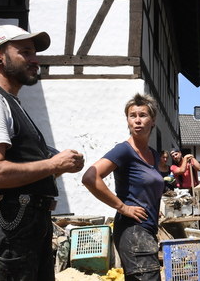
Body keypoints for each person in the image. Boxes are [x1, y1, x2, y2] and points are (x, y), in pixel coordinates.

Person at [0, 25, 85, 281]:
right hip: (11, 221)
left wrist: (57, 165)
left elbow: (21, 169)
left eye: (34, 53)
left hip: (27, 221)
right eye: (25, 52)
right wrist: (53, 164)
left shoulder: (9, 103)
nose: (34, 59)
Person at [81, 94, 164, 281]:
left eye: (142, 115)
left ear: (153, 121)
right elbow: (90, 177)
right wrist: (122, 207)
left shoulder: (153, 155)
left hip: (147, 230)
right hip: (132, 231)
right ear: (127, 121)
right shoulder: (124, 150)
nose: (137, 120)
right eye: (132, 115)